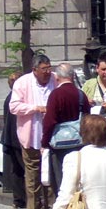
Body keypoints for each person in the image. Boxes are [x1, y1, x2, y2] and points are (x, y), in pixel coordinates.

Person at [10, 55, 57, 209]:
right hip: (31, 137)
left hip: (51, 139)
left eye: (49, 68)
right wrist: (34, 108)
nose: (47, 72)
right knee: (33, 178)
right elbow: (14, 106)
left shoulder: (55, 80)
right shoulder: (22, 83)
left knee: (50, 177)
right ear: (35, 70)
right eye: (44, 69)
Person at [42, 63, 91, 198]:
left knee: (61, 181)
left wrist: (44, 143)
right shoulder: (81, 95)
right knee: (78, 180)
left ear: (57, 77)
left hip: (59, 147)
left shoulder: (55, 95)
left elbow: (49, 121)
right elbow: (87, 118)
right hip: (79, 143)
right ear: (72, 76)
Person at [0, 74, 26, 208]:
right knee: (22, 168)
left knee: (17, 169)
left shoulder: (10, 98)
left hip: (11, 138)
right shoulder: (15, 98)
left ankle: (19, 199)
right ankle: (21, 199)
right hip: (17, 139)